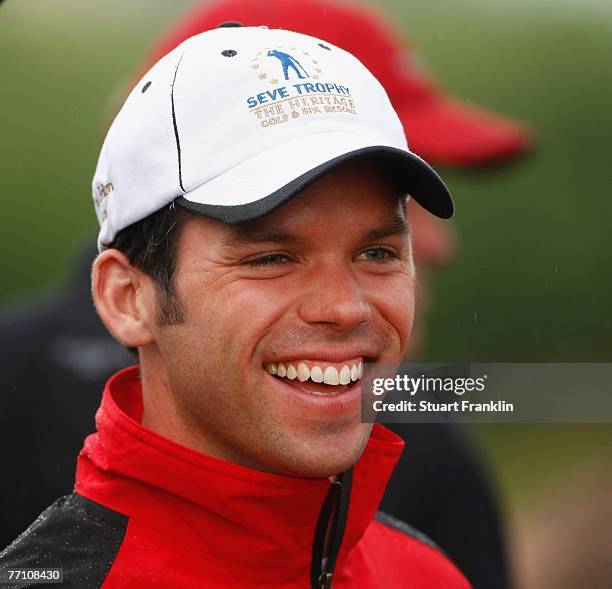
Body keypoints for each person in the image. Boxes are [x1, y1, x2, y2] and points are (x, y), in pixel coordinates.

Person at [0, 2, 531, 587]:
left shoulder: (426, 573)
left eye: (376, 253)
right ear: (128, 298)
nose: (344, 307)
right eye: (271, 259)